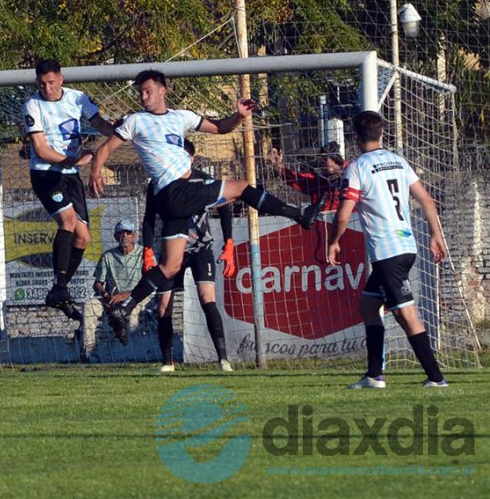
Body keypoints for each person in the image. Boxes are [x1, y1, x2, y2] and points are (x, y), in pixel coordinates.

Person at [89, 70, 324, 343]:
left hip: (175, 200)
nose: (143, 96)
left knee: (170, 267)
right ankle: (299, 214)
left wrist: (238, 116)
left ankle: (125, 309)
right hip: (173, 191)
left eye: (147, 90)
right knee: (240, 187)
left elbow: (221, 128)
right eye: (140, 92)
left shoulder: (182, 117)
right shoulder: (135, 121)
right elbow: (105, 149)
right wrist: (96, 171)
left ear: (163, 90)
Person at [327, 110, 448, 389]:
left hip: (387, 253)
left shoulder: (358, 167)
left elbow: (344, 214)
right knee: (369, 305)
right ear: (382, 132)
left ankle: (436, 378)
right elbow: (427, 201)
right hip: (407, 246)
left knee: (407, 316)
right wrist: (435, 235)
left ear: (355, 136)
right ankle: (373, 375)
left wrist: (334, 241)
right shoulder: (398, 161)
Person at [24, 58, 115, 322]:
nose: (47, 88)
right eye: (42, 83)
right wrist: (75, 161)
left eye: (51, 82)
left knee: (83, 237)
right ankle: (61, 288)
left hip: (70, 173)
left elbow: (100, 124)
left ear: (61, 79)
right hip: (45, 173)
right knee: (68, 221)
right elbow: (40, 149)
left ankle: (58, 290)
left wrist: (119, 131)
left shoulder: (77, 98)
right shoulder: (32, 105)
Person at [145, 141, 235, 372]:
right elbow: (148, 217)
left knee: (208, 299)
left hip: (200, 248)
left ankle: (223, 359)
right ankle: (167, 361)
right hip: (170, 250)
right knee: (163, 305)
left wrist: (229, 243)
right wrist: (147, 249)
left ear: (192, 159)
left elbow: (225, 208)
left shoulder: (204, 180)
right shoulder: (159, 182)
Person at [266, 140, 347, 210]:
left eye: (326, 158)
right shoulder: (317, 182)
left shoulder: (350, 175)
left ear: (336, 159)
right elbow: (295, 179)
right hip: (321, 223)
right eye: (323, 159)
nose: (324, 163)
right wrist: (278, 165)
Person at [93, 220, 143, 310]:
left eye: (128, 233)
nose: (124, 236)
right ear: (115, 237)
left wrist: (128, 294)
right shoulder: (107, 256)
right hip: (113, 297)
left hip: (137, 296)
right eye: (120, 233)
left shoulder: (143, 253)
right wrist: (106, 295)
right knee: (90, 306)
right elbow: (97, 283)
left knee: (131, 310)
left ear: (134, 236)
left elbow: (152, 282)